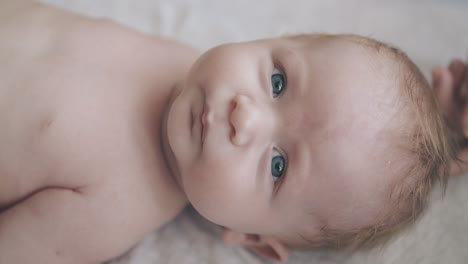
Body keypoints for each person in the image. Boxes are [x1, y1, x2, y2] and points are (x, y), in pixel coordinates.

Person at [0, 1, 461, 263]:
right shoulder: (191, 63)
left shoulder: (114, 210)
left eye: (278, 166)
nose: (246, 117)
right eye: (278, 81)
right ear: (280, 39)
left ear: (251, 237)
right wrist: (438, 123)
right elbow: (363, 126)